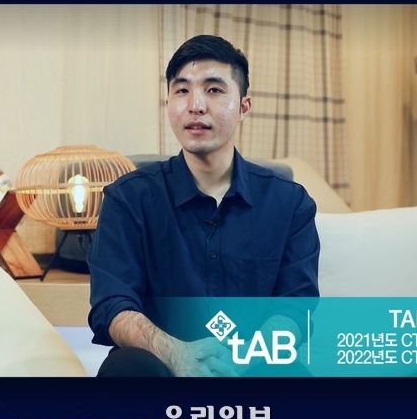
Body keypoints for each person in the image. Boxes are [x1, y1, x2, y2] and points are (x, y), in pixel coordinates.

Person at [87, 34, 320, 377]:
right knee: (126, 367)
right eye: (182, 90)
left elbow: (296, 306)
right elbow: (112, 304)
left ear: (243, 107)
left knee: (292, 374)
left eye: (213, 89)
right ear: (169, 103)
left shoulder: (289, 203)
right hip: (159, 366)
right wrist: (176, 354)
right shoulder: (128, 199)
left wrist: (243, 358)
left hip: (250, 366)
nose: (195, 105)